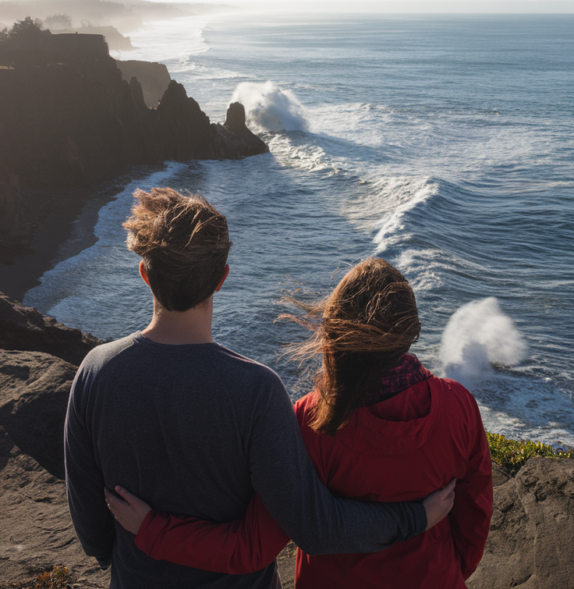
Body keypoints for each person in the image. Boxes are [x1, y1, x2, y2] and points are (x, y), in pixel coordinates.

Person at [65, 189, 454, 589]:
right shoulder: (255, 389)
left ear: (145, 274)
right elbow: (314, 526)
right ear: (222, 278)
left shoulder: (96, 371)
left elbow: (91, 526)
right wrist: (417, 517)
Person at [105, 256, 493, 588]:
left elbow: (252, 547)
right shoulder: (459, 406)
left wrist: (154, 531)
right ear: (413, 332)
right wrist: (451, 572)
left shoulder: (312, 421)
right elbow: (475, 515)